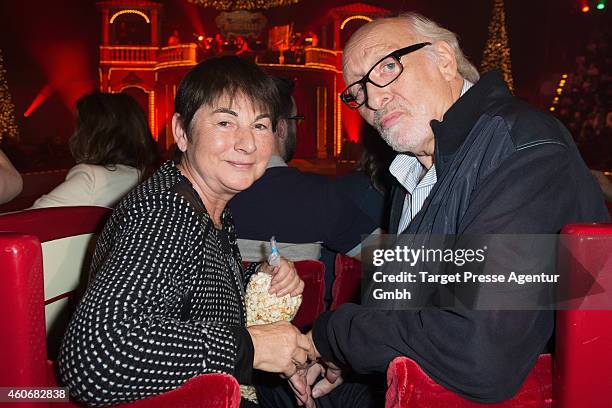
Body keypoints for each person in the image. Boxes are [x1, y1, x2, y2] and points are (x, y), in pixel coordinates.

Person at [287, 13, 609, 407]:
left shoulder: (521, 146)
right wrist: (348, 356)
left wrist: (331, 334)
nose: (372, 99)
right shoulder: (411, 174)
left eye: (387, 67)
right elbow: (395, 309)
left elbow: (478, 355)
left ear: (443, 58)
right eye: (358, 89)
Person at [58, 56, 311, 406]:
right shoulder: (165, 213)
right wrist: (251, 348)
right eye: (225, 122)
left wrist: (260, 280)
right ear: (181, 132)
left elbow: (188, 289)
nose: (247, 144)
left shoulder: (208, 206)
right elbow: (97, 357)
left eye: (260, 126)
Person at [229, 76, 379, 263]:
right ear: (282, 128)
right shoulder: (320, 196)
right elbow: (393, 258)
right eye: (296, 119)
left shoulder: (210, 192)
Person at [31, 92, 158, 209]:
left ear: (94, 134)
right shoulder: (155, 176)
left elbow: (28, 223)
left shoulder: (92, 178)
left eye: (78, 126)